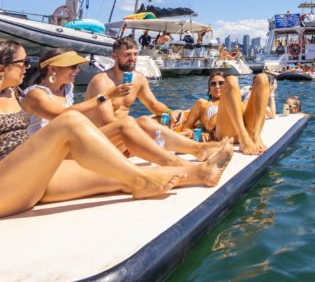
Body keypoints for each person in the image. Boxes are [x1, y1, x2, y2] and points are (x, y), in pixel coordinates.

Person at [0, 40, 232, 219]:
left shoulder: (16, 93)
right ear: (2, 68)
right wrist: (106, 98)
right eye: (22, 63)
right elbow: (62, 117)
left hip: (31, 179)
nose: (26, 67)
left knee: (117, 178)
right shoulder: (35, 94)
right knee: (71, 122)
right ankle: (143, 179)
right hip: (7, 184)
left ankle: (201, 171)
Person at [86, 37, 231, 160]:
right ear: (114, 56)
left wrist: (170, 113)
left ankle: (186, 144)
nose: (132, 59)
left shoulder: (138, 79)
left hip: (124, 133)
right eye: (127, 54)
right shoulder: (101, 81)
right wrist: (132, 139)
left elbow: (153, 104)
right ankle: (197, 149)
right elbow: (106, 121)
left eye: (135, 54)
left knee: (166, 118)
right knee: (143, 122)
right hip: (103, 138)